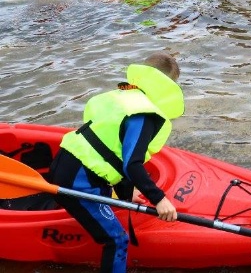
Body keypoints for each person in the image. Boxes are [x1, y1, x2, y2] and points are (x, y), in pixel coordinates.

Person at [50, 53, 184, 273]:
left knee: (107, 216)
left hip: (64, 163)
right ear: (169, 86)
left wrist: (126, 192)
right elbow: (132, 164)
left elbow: (112, 150)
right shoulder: (145, 114)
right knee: (117, 241)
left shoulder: (124, 96)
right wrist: (159, 199)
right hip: (79, 182)